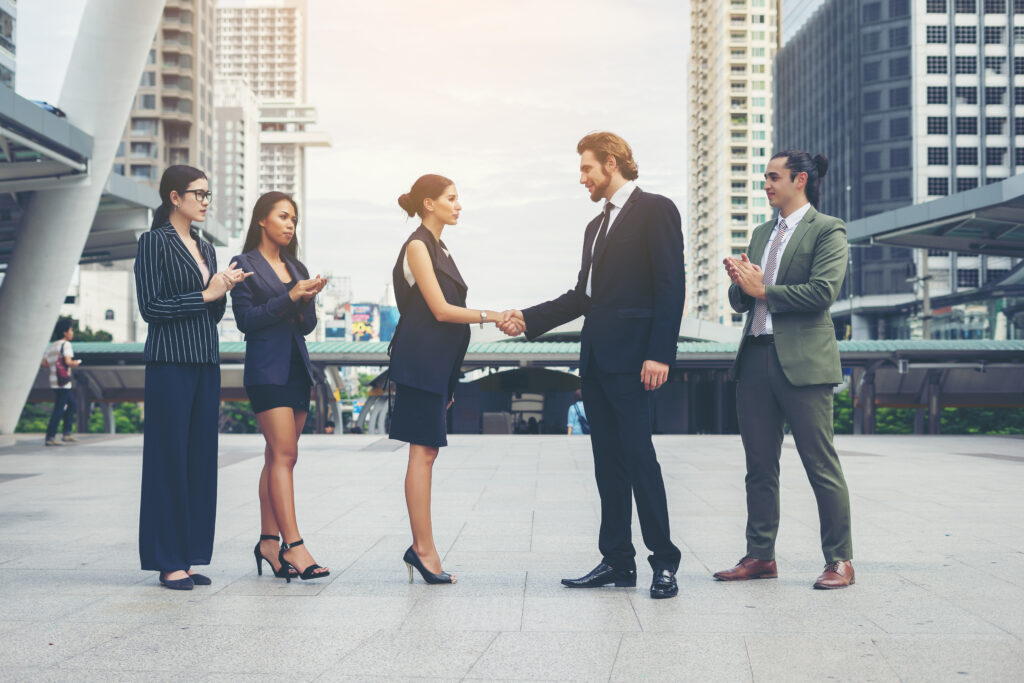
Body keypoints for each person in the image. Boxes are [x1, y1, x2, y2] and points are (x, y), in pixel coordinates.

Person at [500, 132, 685, 599]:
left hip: (636, 361)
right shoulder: (594, 227)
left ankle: (664, 562)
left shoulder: (656, 209)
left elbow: (670, 286)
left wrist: (660, 352)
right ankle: (618, 561)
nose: (582, 179)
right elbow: (583, 296)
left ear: (610, 162)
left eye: (586, 169)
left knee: (640, 459)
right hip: (598, 362)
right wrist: (528, 318)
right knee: (608, 464)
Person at [714, 150, 855, 590]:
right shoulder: (760, 233)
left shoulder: (828, 230)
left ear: (800, 180)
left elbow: (822, 292)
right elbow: (745, 301)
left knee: (820, 464)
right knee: (759, 466)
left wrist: (763, 288)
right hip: (755, 355)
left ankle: (840, 561)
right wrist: (740, 283)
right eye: (764, 178)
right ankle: (760, 556)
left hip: (805, 362)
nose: (766, 185)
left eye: (773, 177)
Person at [388, 173, 511, 584]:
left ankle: (420, 547)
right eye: (451, 198)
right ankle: (423, 550)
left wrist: (452, 379)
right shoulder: (418, 246)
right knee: (421, 454)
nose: (459, 205)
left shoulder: (438, 246)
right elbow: (440, 310)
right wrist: (491, 315)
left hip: (437, 366)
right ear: (428, 203)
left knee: (428, 453)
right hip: (420, 363)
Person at [135, 165, 250, 590]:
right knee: (168, 461)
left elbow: (213, 311)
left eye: (208, 193)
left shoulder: (206, 247)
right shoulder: (153, 243)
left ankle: (188, 554)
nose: (205, 200)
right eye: (198, 193)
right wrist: (206, 293)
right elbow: (152, 308)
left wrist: (223, 288)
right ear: (174, 198)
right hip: (169, 363)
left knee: (199, 460)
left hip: (205, 361)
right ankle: (167, 560)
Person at [230, 191, 329, 582]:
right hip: (265, 371)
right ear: (262, 221)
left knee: (277, 457)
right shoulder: (244, 264)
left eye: (294, 219)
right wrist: (289, 296)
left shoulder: (296, 264)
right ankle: (295, 546)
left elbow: (306, 326)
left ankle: (268, 543)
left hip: (296, 368)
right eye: (284, 217)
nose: (290, 225)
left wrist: (305, 299)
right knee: (285, 455)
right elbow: (246, 320)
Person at [41, 317, 82, 446]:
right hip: (63, 382)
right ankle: (51, 437)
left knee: (72, 405)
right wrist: (76, 362)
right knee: (59, 409)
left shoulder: (52, 346)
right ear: (65, 332)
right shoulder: (66, 344)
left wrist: (55, 366)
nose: (72, 332)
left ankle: (66, 434)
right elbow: (68, 361)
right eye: (71, 330)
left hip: (54, 381)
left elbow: (44, 363)